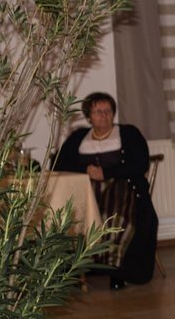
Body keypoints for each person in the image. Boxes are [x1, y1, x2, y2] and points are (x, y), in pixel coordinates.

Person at [54, 92, 158, 289]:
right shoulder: (78, 138)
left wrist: (106, 173)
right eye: (98, 112)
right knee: (75, 220)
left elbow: (140, 163)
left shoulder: (128, 133)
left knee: (115, 220)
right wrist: (86, 170)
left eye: (108, 111)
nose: (104, 115)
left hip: (123, 190)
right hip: (87, 191)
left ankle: (116, 271)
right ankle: (79, 269)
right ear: (89, 116)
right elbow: (59, 164)